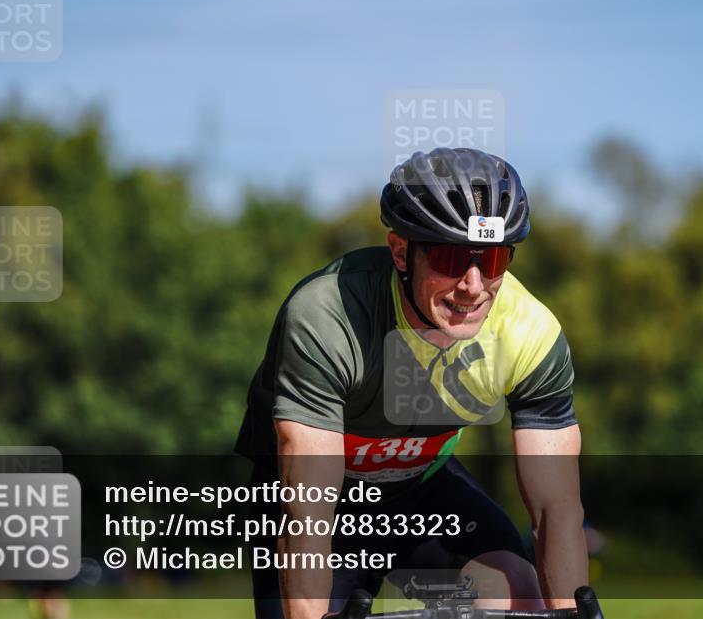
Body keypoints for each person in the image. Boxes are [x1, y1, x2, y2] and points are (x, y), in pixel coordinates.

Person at [235, 148, 590, 619]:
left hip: (419, 485)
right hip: (319, 498)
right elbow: (309, 507)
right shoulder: (329, 316)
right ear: (402, 251)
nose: (473, 284)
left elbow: (556, 507)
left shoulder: (531, 334)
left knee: (518, 600)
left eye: (494, 258)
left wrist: (568, 613)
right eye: (450, 256)